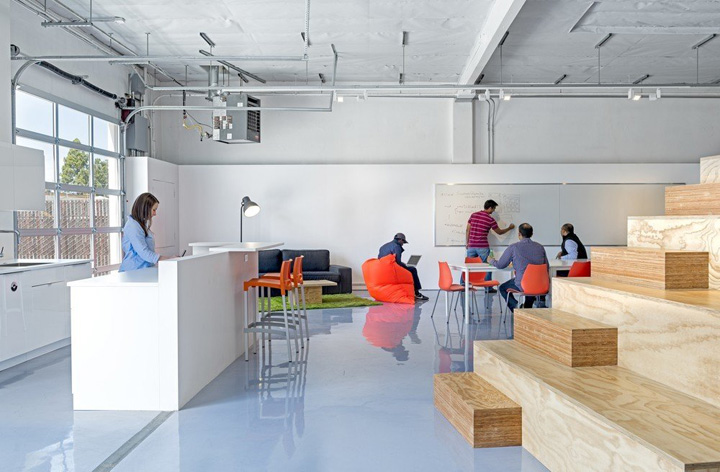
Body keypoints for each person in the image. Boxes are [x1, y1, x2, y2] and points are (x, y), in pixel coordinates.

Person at [488, 223, 548, 313]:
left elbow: (500, 265)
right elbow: (546, 267)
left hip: (523, 284)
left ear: (519, 234)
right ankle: (527, 307)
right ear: (532, 234)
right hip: (539, 284)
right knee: (531, 284)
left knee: (502, 288)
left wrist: (491, 261)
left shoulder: (514, 247)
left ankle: (516, 308)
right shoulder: (540, 247)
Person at [466, 199, 515, 288]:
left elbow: (467, 230)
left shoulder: (473, 215)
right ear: (490, 208)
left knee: (468, 267)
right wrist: (509, 228)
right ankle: (488, 287)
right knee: (488, 266)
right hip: (482, 247)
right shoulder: (490, 219)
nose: (494, 210)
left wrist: (467, 243)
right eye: (494, 208)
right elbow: (499, 232)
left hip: (471, 246)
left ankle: (463, 285)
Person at [119, 192, 164, 272]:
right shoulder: (133, 226)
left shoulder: (141, 224)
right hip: (133, 271)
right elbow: (143, 252)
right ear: (145, 208)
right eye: (154, 210)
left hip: (144, 269)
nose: (155, 214)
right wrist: (167, 259)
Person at [378, 233, 428, 301]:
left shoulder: (384, 246)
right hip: (392, 270)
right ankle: (417, 293)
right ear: (400, 240)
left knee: (408, 268)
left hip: (382, 270)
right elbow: (398, 263)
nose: (403, 244)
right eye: (403, 242)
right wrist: (404, 265)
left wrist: (403, 264)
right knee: (413, 270)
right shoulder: (397, 246)